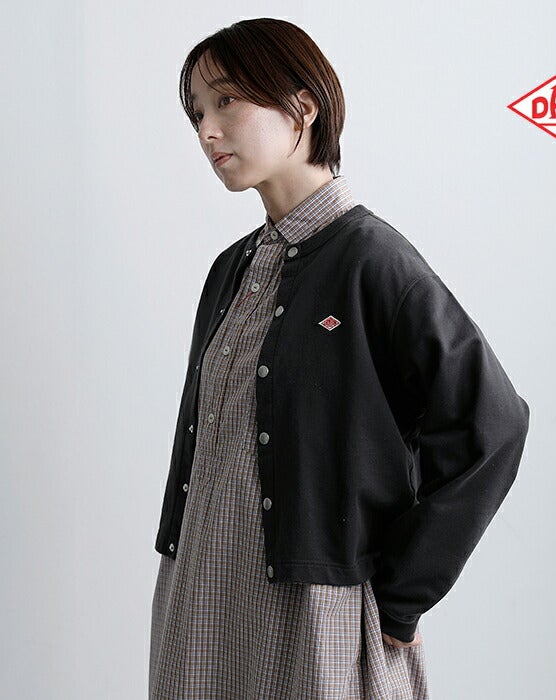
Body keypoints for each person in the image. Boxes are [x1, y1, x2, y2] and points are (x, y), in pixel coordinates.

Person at [149, 17, 529, 700]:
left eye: (227, 100)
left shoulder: (373, 261)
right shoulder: (230, 271)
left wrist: (406, 591)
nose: (207, 130)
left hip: (315, 611)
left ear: (303, 107)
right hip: (203, 597)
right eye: (197, 112)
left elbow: (493, 425)